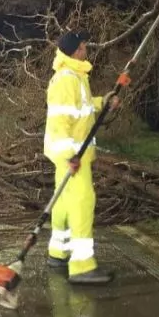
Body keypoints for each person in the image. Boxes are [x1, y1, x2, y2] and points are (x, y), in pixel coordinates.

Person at [44, 31, 119, 284]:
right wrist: (71, 157)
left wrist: (103, 102)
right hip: (73, 155)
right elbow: (60, 121)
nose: (87, 48)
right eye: (84, 45)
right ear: (77, 50)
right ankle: (82, 266)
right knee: (82, 203)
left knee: (63, 201)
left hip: (67, 154)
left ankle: (59, 252)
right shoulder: (67, 79)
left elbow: (82, 108)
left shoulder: (75, 76)